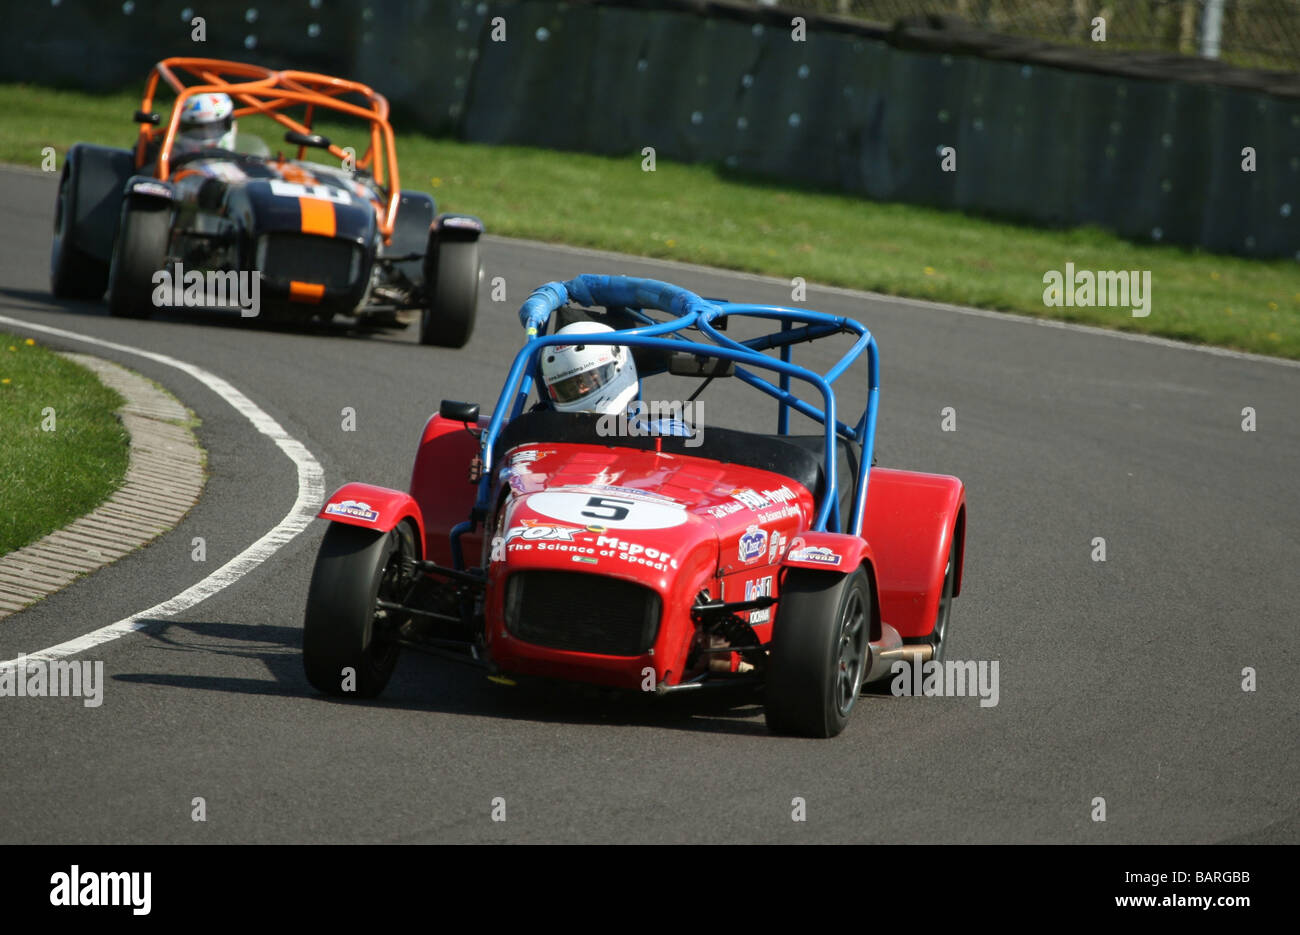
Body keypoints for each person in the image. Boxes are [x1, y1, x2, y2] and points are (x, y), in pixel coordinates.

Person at [539, 321, 694, 438]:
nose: (581, 390)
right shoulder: (542, 433)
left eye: (587, 380)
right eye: (568, 388)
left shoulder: (668, 431)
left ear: (618, 364)